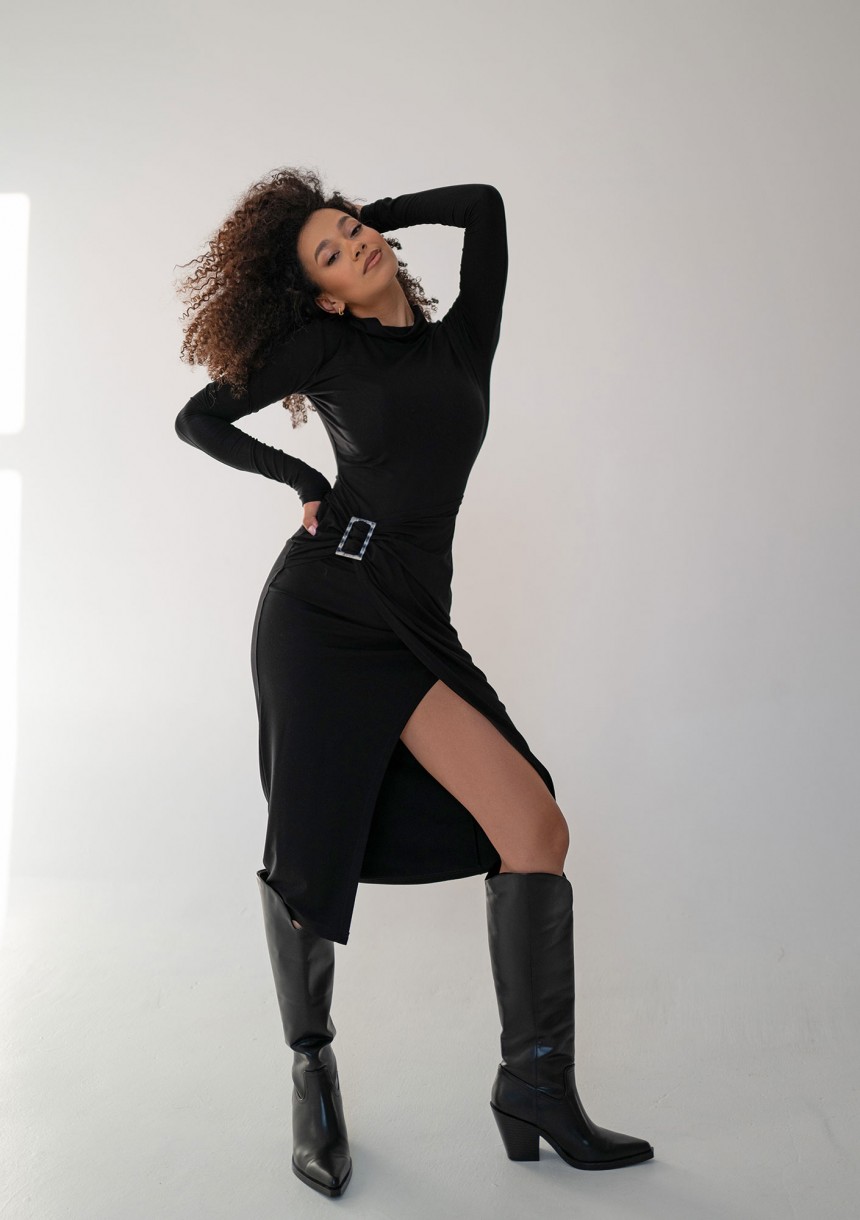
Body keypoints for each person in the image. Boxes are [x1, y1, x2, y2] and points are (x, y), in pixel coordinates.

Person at [173, 170, 654, 1198]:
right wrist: (302, 478)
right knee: (308, 859)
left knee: (533, 826)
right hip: (320, 615)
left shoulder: (462, 339)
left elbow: (484, 205)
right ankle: (312, 1074)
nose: (354, 245)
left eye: (351, 230)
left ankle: (534, 1086)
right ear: (323, 296)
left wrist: (371, 215)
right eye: (332, 253)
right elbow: (198, 420)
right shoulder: (326, 345)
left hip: (411, 623)